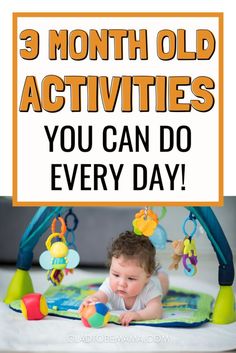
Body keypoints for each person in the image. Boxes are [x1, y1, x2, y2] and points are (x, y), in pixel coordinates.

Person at [79, 231, 169, 326]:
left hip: (158, 286)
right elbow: (100, 296)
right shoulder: (110, 284)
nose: (121, 283)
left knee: (163, 286)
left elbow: (157, 310)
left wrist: (138, 315)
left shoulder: (149, 289)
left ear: (147, 277)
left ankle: (162, 272)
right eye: (116, 275)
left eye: (131, 278)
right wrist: (92, 300)